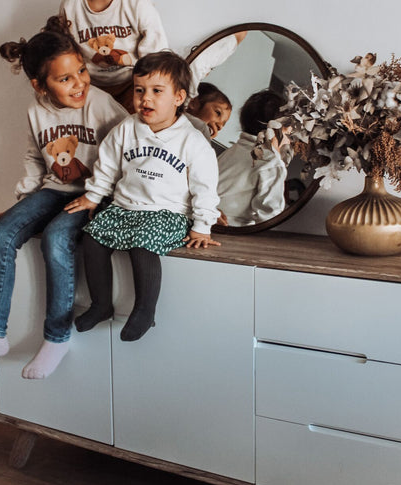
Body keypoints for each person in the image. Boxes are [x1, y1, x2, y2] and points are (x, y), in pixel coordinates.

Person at [0, 22, 127, 381]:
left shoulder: (101, 104)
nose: (79, 83)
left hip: (95, 196)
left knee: (55, 238)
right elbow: (35, 158)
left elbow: (129, 149)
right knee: (2, 231)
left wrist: (102, 194)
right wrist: (24, 203)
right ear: (40, 85)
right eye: (65, 79)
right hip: (52, 190)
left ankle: (56, 336)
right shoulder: (37, 112)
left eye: (81, 71)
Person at [65, 50, 220, 342]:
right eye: (139, 90)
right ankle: (101, 304)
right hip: (124, 208)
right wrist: (94, 197)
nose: (144, 99)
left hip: (167, 213)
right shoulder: (127, 128)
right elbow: (108, 164)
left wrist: (202, 226)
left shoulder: (193, 142)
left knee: (143, 245)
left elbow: (205, 186)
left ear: (178, 98)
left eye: (156, 91)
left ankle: (145, 311)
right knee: (92, 239)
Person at [216, 89, 287, 227]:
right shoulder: (271, 161)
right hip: (232, 230)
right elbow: (270, 216)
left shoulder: (232, 152)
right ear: (279, 130)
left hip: (206, 222)